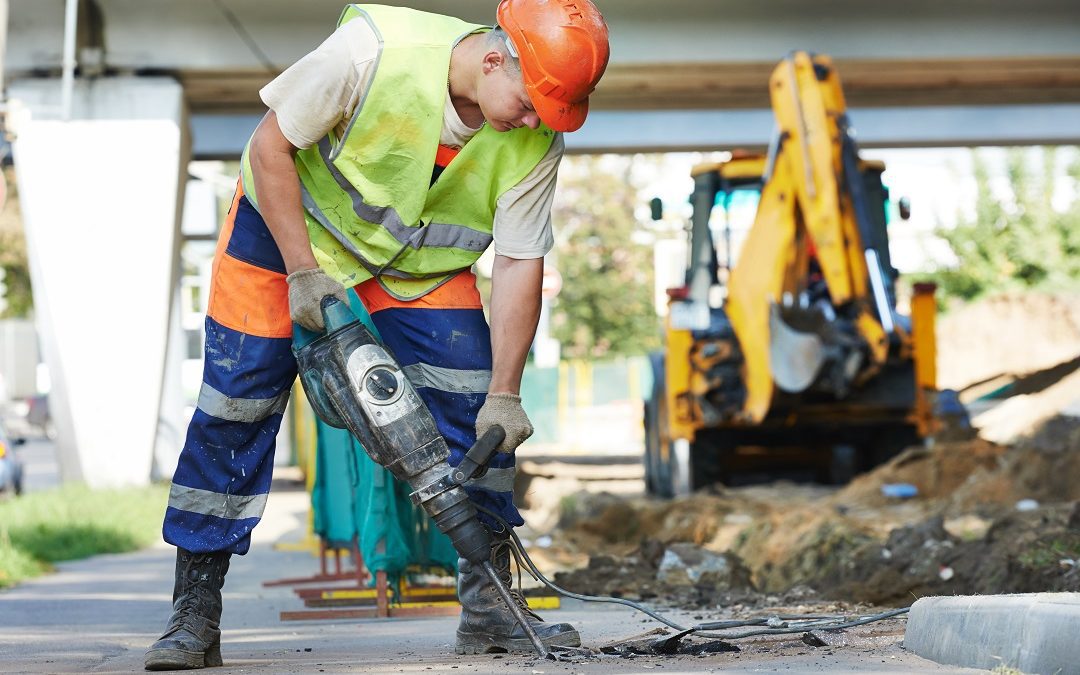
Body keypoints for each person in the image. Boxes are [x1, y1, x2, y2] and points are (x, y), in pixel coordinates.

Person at [144, 1, 609, 670]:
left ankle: (490, 607)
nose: (534, 122)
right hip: (283, 237)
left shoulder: (537, 137)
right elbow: (270, 146)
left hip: (412, 265)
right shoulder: (370, 52)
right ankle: (194, 613)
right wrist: (303, 272)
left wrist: (505, 392)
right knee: (234, 405)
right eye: (532, 102)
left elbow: (518, 262)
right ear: (491, 59)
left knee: (481, 414)